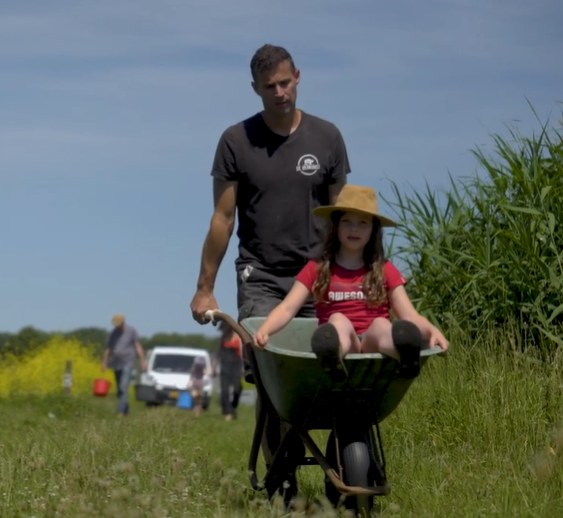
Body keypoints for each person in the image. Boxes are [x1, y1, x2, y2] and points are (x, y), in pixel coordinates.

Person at [189, 43, 350, 504]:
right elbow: (223, 219)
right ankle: (284, 484)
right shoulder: (236, 141)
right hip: (260, 277)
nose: (279, 93)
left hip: (319, 277)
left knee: (337, 365)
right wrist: (204, 289)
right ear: (255, 89)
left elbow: (345, 217)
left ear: (297, 77)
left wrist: (355, 277)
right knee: (271, 372)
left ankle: (343, 467)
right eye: (269, 87)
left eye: (284, 82)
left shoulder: (327, 138)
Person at [253, 185, 450, 379]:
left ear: (373, 229)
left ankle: (405, 353)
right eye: (347, 221)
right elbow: (287, 308)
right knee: (338, 320)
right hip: (347, 345)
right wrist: (264, 330)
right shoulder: (318, 268)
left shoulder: (384, 269)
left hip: (373, 346)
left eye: (363, 223)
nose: (354, 229)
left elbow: (409, 315)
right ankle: (333, 355)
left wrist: (431, 331)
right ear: (336, 226)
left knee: (381, 325)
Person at [101, 313, 147, 417]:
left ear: (123, 323)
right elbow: (108, 348)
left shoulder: (131, 331)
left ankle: (121, 411)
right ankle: (126, 411)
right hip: (116, 363)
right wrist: (104, 362)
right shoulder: (112, 333)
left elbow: (137, 346)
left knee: (123, 386)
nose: (117, 327)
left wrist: (143, 361)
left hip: (128, 362)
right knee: (119, 389)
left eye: (118, 325)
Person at [213, 320, 243, 421]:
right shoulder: (222, 339)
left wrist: (245, 367)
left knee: (237, 388)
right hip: (224, 367)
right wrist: (213, 367)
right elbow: (217, 354)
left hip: (236, 366)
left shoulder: (238, 338)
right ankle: (227, 412)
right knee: (224, 391)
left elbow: (242, 353)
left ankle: (233, 407)